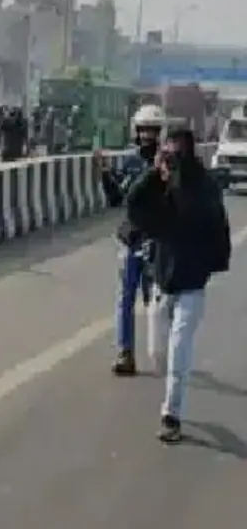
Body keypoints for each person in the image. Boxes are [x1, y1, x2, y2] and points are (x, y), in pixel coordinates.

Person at [125, 128, 230, 442]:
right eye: (169, 151)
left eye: (177, 151)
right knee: (158, 353)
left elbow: (216, 226)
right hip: (162, 279)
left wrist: (211, 264)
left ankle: (172, 414)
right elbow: (132, 203)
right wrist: (154, 175)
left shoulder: (204, 186)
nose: (173, 157)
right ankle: (171, 395)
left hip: (192, 282)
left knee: (179, 348)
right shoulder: (158, 185)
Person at [96, 104, 165, 376]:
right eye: (143, 130)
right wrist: (103, 172)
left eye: (152, 131)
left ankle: (162, 350)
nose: (147, 136)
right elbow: (116, 199)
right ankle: (125, 353)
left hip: (157, 243)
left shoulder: (168, 166)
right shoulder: (132, 163)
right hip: (131, 240)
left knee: (156, 302)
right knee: (125, 298)